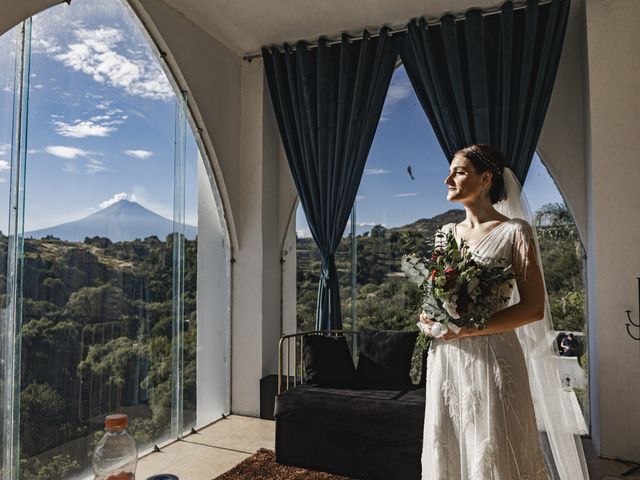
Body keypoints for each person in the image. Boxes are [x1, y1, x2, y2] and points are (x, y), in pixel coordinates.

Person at [419, 144, 589, 479]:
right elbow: (434, 296)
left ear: (485, 179)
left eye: (459, 171)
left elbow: (533, 308)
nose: (447, 179)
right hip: (447, 360)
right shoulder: (444, 236)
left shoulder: (515, 232)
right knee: (448, 449)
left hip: (493, 359)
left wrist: (466, 330)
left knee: (495, 455)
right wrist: (429, 317)